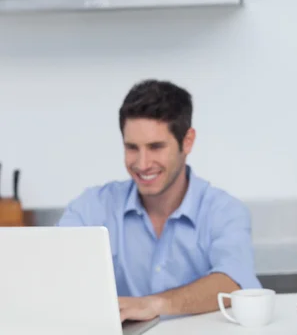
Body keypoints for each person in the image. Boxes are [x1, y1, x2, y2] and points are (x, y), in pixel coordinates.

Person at [58, 79, 261, 322]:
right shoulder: (92, 207)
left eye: (155, 147)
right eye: (132, 148)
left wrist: (155, 304)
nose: (142, 164)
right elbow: (54, 269)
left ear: (187, 141)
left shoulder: (224, 212)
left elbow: (234, 282)